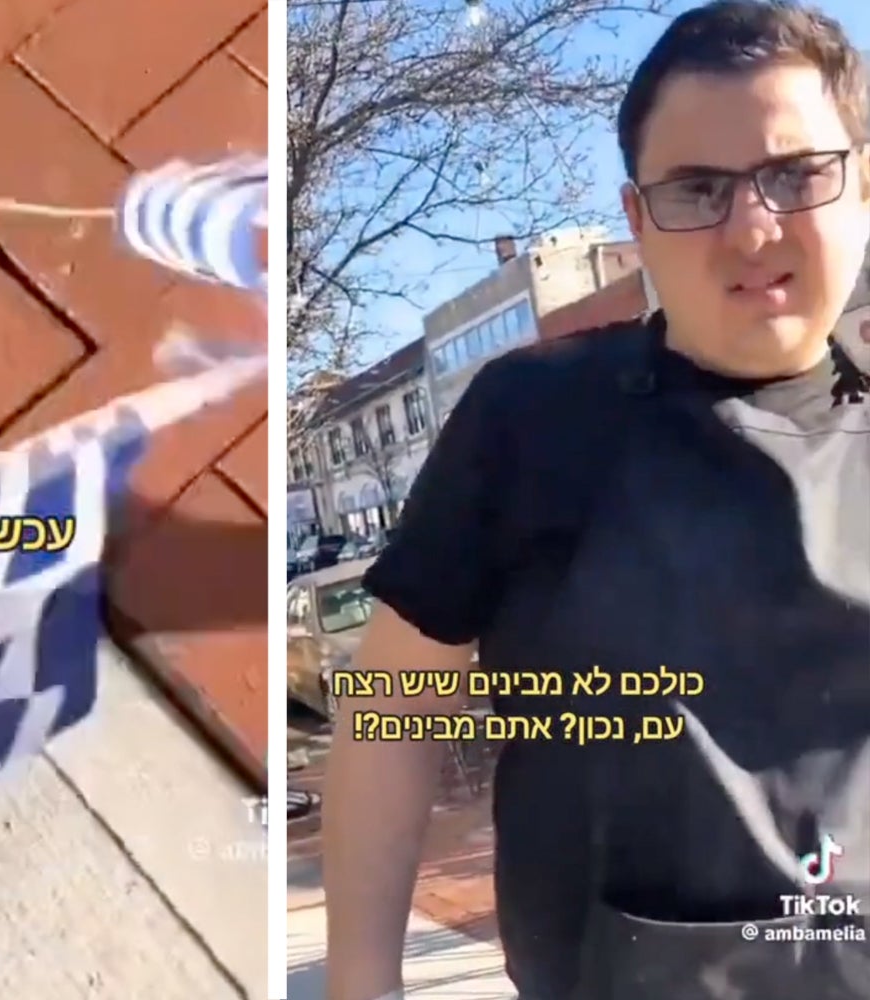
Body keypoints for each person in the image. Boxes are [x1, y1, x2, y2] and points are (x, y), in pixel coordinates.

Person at [322, 2, 870, 997]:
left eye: (795, 174)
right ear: (638, 218)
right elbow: (392, 704)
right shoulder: (530, 418)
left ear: (863, 182)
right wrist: (362, 981)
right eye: (698, 188)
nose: (752, 227)